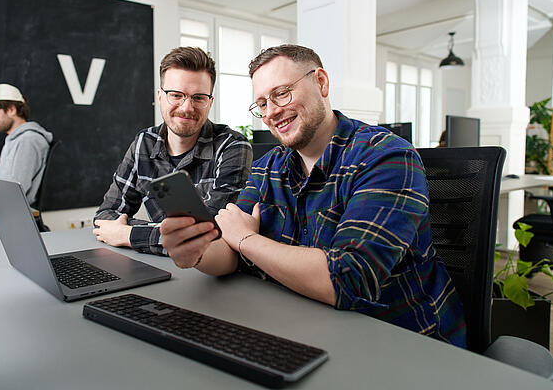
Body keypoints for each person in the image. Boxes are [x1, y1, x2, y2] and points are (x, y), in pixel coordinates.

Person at [159, 44, 467, 348]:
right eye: (262, 104)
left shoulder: (387, 157)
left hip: (402, 343)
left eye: (282, 93)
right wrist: (196, 252)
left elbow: (347, 279)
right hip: (306, 331)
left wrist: (247, 240)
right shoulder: (268, 168)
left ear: (320, 82)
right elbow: (228, 252)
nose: (272, 112)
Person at [93, 47, 253, 256]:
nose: (187, 107)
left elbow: (213, 235)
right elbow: (106, 216)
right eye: (176, 95)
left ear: (210, 102)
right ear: (160, 96)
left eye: (198, 97)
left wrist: (129, 235)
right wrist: (170, 237)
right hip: (157, 265)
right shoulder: (144, 142)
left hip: (209, 273)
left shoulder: (233, 146)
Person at [0, 83, 53, 205]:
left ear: (11, 109)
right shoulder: (13, 140)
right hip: (5, 208)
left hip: (14, 212)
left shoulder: (28, 140)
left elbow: (16, 192)